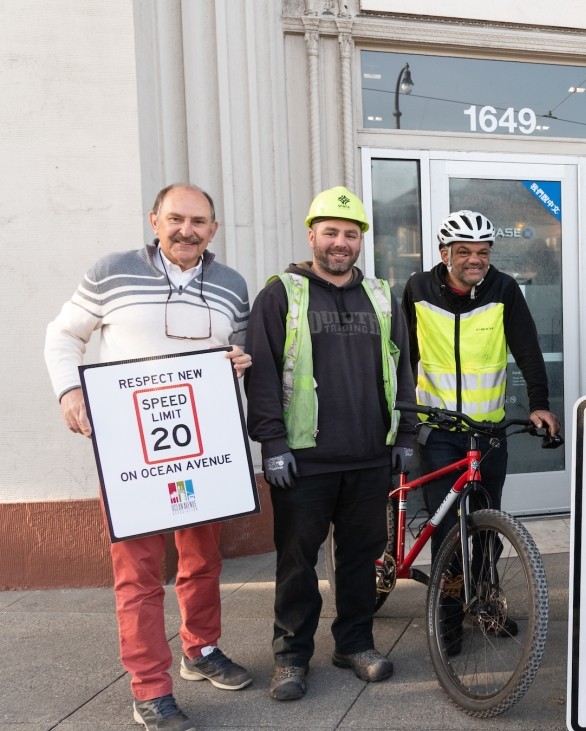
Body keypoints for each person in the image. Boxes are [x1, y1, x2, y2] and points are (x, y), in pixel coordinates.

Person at [44, 183, 253, 731]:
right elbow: (64, 334)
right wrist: (70, 392)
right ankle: (150, 687)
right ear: (155, 219)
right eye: (177, 218)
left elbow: (244, 348)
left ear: (214, 228)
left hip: (201, 452)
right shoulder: (112, 270)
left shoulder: (231, 284)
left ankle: (200, 650)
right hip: (132, 452)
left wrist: (241, 358)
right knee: (137, 573)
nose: (188, 230)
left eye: (200, 221)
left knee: (202, 560)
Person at [244, 186, 419, 702]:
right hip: (303, 459)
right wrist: (272, 443)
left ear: (360, 239)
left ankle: (354, 644)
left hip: (370, 455)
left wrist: (406, 434)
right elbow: (263, 372)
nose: (341, 242)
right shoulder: (282, 292)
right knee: (296, 562)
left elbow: (403, 369)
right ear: (312, 235)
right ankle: (292, 657)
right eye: (332, 232)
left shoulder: (382, 295)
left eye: (350, 233)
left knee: (361, 557)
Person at [403, 210, 560, 648]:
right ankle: (449, 618)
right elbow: (403, 355)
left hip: (487, 431)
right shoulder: (417, 288)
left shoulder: (504, 288)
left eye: (484, 252)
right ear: (444, 253)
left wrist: (540, 405)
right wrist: (401, 411)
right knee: (451, 531)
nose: (476, 260)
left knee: (488, 527)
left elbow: (528, 350)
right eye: (466, 252)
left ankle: (488, 604)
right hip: (437, 432)